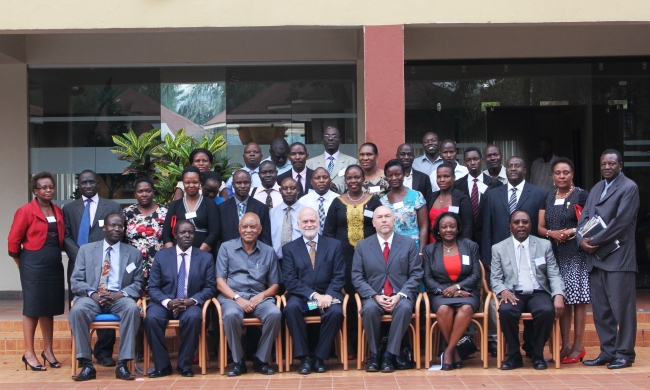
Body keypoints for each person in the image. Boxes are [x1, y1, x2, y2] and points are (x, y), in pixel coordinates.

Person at [578, 149, 640, 370]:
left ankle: (624, 354)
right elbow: (584, 218)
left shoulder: (629, 187)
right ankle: (608, 351)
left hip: (618, 259)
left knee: (622, 309)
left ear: (620, 166)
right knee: (602, 310)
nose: (607, 167)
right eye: (603, 163)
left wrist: (593, 240)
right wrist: (580, 239)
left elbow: (621, 222)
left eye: (612, 164)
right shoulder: (596, 188)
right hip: (595, 260)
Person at [481, 156, 547, 357]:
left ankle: (530, 344)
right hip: (502, 260)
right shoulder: (492, 195)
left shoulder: (539, 194)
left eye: (517, 165)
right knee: (506, 304)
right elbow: (487, 230)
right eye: (509, 166)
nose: (513, 169)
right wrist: (488, 260)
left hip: (530, 259)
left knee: (534, 299)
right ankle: (506, 346)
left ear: (525, 169)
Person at [68, 213, 144, 381]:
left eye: (120, 226)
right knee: (77, 310)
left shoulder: (133, 253)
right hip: (92, 298)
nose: (117, 229)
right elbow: (76, 281)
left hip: (119, 298)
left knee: (132, 308)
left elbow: (138, 283)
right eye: (113, 225)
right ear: (104, 228)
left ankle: (123, 363)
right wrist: (93, 294)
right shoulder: (86, 250)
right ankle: (87, 364)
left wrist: (120, 294)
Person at [351, 206, 423, 372]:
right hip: (374, 296)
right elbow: (357, 276)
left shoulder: (408, 244)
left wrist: (400, 295)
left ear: (394, 220)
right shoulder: (362, 246)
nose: (384, 220)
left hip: (400, 296)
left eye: (387, 216)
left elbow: (416, 274)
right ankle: (375, 355)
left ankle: (389, 355)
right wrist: (375, 296)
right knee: (368, 309)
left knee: (405, 308)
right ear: (373, 223)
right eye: (380, 217)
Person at [491, 210, 565, 371]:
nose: (521, 225)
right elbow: (495, 278)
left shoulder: (544, 245)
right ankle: (514, 355)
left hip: (538, 291)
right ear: (510, 226)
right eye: (517, 222)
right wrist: (503, 290)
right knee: (506, 311)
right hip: (513, 292)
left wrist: (558, 294)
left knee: (546, 310)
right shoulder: (499, 248)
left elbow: (554, 273)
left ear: (531, 225)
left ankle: (537, 354)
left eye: (525, 222)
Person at [63, 169, 122, 366]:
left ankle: (104, 352)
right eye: (83, 183)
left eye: (91, 182)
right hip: (78, 263)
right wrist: (81, 256)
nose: (87, 186)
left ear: (98, 183)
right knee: (80, 305)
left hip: (107, 264)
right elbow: (66, 236)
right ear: (78, 185)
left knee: (106, 300)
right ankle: (82, 353)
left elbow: (117, 232)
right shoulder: (69, 208)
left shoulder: (112, 206)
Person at [323, 164, 382, 357]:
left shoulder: (374, 202)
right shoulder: (337, 202)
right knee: (347, 301)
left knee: (368, 298)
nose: (353, 181)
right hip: (343, 261)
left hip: (370, 260)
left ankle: (369, 345)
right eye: (349, 178)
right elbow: (329, 233)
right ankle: (348, 344)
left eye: (357, 177)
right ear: (345, 180)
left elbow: (382, 227)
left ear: (363, 179)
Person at [8, 172, 65, 371]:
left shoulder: (58, 210)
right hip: (32, 263)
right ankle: (29, 353)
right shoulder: (25, 211)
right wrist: (20, 262)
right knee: (32, 308)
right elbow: (13, 240)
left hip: (53, 263)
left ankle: (48, 351)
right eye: (43, 187)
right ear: (35, 191)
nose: (48, 190)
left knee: (48, 308)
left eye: (51, 187)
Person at [144, 221, 216, 378]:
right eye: (183, 232)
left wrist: (192, 301)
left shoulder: (205, 258)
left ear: (194, 235)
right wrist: (168, 302)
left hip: (190, 303)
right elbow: (153, 287)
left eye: (190, 232)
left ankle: (184, 365)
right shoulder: (162, 256)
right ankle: (162, 366)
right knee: (151, 318)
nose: (187, 235)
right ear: (175, 235)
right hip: (164, 303)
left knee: (194, 318)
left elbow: (210, 288)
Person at [537, 158, 590, 363]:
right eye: (558, 173)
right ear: (552, 175)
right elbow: (541, 227)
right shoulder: (548, 197)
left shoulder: (581, 195)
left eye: (566, 172)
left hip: (575, 253)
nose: (561, 176)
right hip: (555, 253)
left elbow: (588, 223)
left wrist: (570, 231)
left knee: (578, 301)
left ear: (572, 174)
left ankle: (578, 346)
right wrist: (552, 233)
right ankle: (565, 344)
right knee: (563, 301)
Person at [216, 213, 282, 376]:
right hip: (232, 297)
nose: (248, 230)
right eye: (244, 226)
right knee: (231, 315)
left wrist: (261, 296)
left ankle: (261, 359)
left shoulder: (268, 251)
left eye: (253, 227)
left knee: (275, 313)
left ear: (260, 229)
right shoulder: (226, 247)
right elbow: (220, 282)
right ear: (239, 229)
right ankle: (238, 361)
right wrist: (237, 299)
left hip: (259, 298)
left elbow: (275, 285)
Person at [282, 207, 345, 374]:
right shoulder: (289, 249)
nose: (309, 224)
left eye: (312, 221)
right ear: (298, 224)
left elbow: (339, 276)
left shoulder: (334, 245)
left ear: (319, 222)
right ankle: (304, 358)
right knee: (291, 308)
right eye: (305, 221)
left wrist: (328, 295)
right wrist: (315, 296)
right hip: (305, 302)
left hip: (327, 299)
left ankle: (319, 357)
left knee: (336, 312)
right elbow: (290, 281)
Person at [422, 212, 481, 370]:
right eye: (444, 227)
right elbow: (427, 278)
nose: (448, 229)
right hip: (440, 294)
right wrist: (444, 290)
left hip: (467, 292)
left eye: (452, 226)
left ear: (458, 228)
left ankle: (448, 352)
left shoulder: (470, 246)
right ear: (438, 230)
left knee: (466, 308)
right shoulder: (429, 250)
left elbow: (476, 274)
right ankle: (455, 351)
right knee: (443, 310)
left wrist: (457, 287)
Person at [162, 166, 220, 254]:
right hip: (178, 255)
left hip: (202, 255)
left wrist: (199, 254)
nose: (191, 185)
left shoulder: (210, 204)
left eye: (195, 182)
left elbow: (214, 233)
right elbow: (166, 234)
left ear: (200, 183)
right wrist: (172, 254)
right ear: (183, 184)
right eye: (187, 182)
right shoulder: (175, 205)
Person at [123, 177, 167, 285]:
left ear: (153, 192)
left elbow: (170, 238)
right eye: (140, 191)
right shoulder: (127, 213)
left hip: (159, 264)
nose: (144, 194)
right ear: (135, 194)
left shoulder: (164, 212)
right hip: (133, 263)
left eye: (148, 191)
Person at [453, 147, 502, 242]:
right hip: (464, 237)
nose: (472, 163)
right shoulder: (456, 185)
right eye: (468, 160)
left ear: (482, 160)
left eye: (475, 159)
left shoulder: (495, 184)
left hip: (488, 236)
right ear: (464, 163)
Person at [380, 159, 428, 249]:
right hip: (392, 248)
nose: (394, 178)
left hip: (414, 247)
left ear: (404, 174)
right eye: (390, 175)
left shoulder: (416, 196)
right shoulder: (382, 201)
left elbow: (424, 226)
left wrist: (422, 251)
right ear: (386, 177)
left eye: (397, 174)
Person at [219, 170, 272, 246]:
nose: (243, 186)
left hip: (255, 255)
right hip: (228, 255)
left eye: (246, 182)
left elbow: (265, 238)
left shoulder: (262, 208)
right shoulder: (221, 208)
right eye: (239, 183)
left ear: (251, 184)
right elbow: (218, 237)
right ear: (233, 184)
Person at [428, 163, 473, 242]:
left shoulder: (461, 198)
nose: (442, 180)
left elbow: (467, 226)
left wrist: (465, 247)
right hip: (432, 245)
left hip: (455, 244)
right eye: (439, 177)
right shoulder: (431, 197)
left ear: (454, 178)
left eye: (446, 176)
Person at [306, 126, 358, 193]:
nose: (330, 138)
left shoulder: (352, 162)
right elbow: (307, 186)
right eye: (327, 136)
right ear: (322, 141)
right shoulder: (310, 163)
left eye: (334, 136)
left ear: (340, 141)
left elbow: (356, 184)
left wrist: (336, 187)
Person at [269, 178, 304, 261]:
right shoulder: (272, 213)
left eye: (292, 188)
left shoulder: (306, 213)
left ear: (298, 190)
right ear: (280, 191)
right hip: (277, 260)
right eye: (285, 188)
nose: (289, 191)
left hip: (300, 259)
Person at [298, 167, 339, 234]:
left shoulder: (338, 199)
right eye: (317, 178)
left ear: (330, 180)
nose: (321, 181)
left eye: (325, 177)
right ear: (311, 182)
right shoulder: (303, 201)